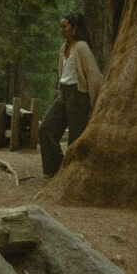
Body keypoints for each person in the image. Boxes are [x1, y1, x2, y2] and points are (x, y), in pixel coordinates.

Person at [38, 13, 103, 177]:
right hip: (64, 93)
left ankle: (73, 174)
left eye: (64, 26)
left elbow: (94, 74)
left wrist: (95, 103)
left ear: (74, 28)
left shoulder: (81, 47)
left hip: (78, 94)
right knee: (46, 128)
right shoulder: (63, 47)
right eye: (61, 26)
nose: (61, 30)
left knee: (75, 137)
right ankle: (56, 169)